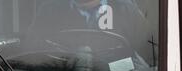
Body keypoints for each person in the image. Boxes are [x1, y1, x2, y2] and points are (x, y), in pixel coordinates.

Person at [26, 0, 155, 66]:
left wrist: (114, 67)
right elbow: (32, 55)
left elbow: (148, 57)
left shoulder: (126, 9)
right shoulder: (49, 10)